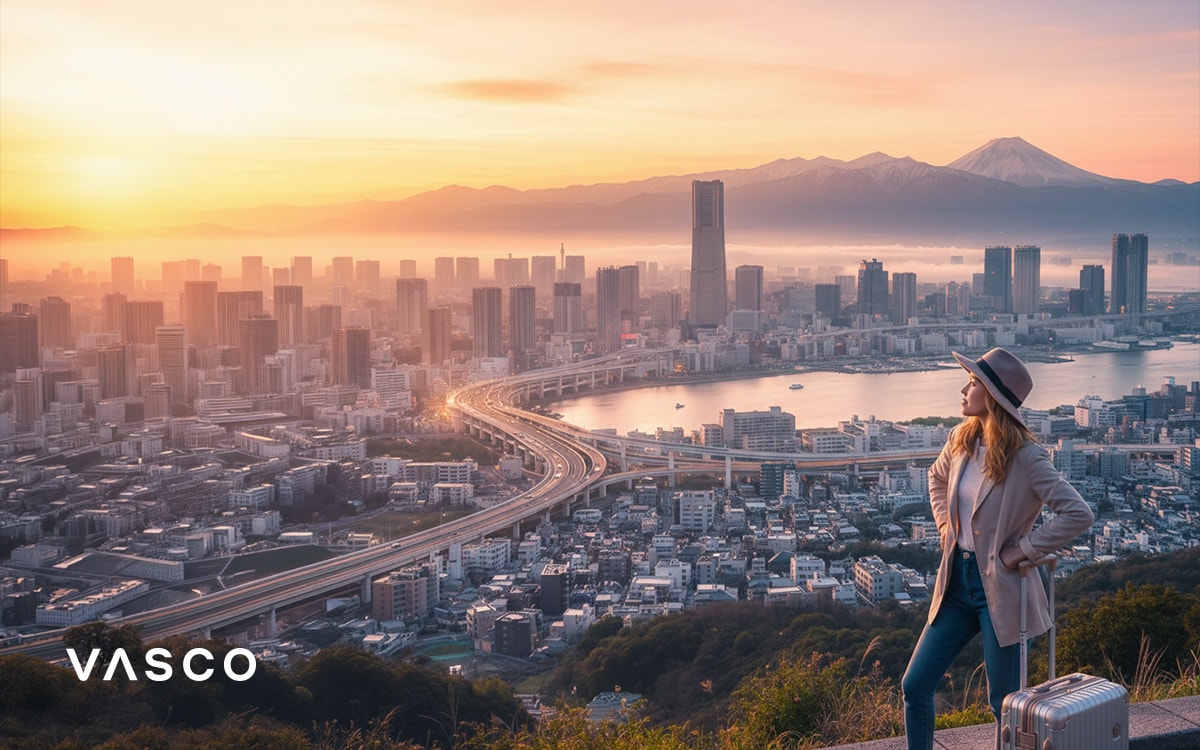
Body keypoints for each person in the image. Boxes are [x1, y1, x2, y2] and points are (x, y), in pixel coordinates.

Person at [901, 348, 1094, 750]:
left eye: (973, 382)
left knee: (1003, 705)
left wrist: (1023, 548)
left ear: (992, 395)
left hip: (1004, 589)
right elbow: (936, 479)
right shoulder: (961, 440)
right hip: (956, 583)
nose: (964, 389)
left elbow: (1078, 513)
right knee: (915, 685)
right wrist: (946, 529)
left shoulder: (1027, 457)